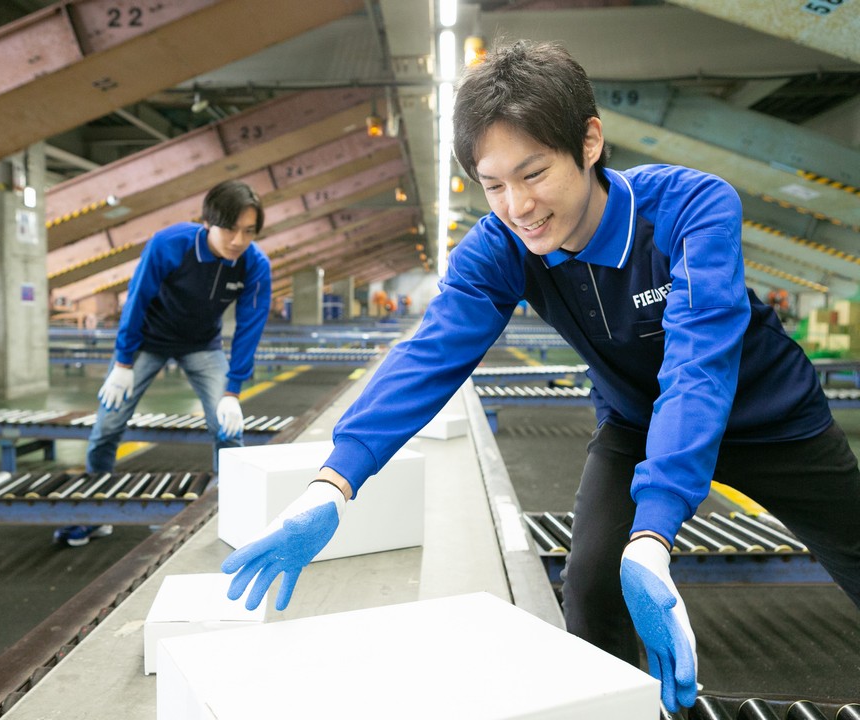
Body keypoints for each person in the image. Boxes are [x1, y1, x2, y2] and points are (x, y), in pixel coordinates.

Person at [220, 41, 860, 713]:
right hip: (635, 422)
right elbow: (430, 355)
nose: (518, 205)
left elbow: (699, 364)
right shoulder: (501, 249)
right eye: (493, 184)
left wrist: (655, 531)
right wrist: (333, 481)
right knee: (588, 585)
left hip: (771, 419)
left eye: (532, 174)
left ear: (589, 142)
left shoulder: (691, 209)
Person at [55, 180, 271, 548]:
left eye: (248, 231)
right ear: (208, 222)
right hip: (147, 343)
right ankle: (95, 514)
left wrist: (233, 389)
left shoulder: (254, 265)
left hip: (202, 345)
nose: (238, 240)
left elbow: (251, 326)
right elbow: (136, 300)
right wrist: (123, 363)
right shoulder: (169, 245)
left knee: (229, 429)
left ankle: (227, 515)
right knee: (108, 424)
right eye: (230, 229)